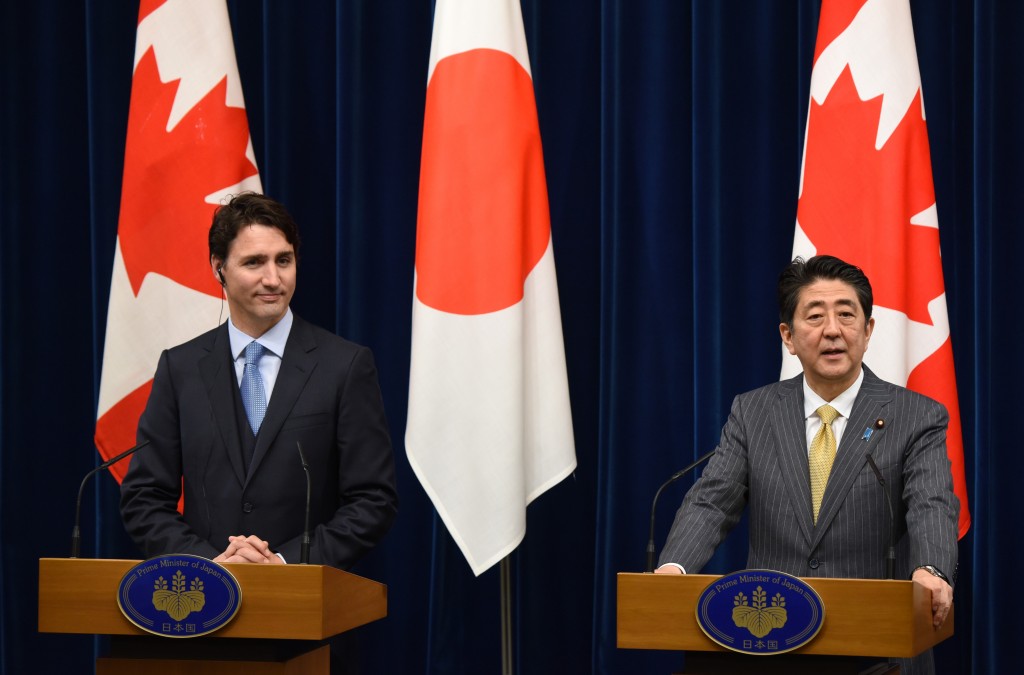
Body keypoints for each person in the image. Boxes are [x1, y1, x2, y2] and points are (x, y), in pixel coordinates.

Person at [655, 255, 958, 675]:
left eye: (847, 315)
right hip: (768, 647)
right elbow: (713, 502)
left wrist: (930, 570)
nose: (832, 330)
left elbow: (932, 502)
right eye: (814, 316)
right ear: (789, 336)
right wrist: (673, 568)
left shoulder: (917, 416)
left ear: (868, 331)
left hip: (876, 651)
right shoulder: (754, 411)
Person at [121, 192, 398, 570]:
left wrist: (285, 564)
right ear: (218, 267)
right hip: (205, 606)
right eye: (254, 262)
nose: (273, 278)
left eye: (283, 260)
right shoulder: (180, 369)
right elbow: (144, 497)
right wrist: (211, 565)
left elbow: (372, 500)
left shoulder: (345, 366)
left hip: (306, 608)